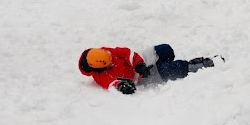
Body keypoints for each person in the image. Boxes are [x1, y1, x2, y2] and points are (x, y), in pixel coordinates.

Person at [78, 44, 223, 95]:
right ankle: (197, 65)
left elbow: (127, 53)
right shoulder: (100, 76)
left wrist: (139, 64)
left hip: (141, 64)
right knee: (172, 69)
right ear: (101, 65)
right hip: (141, 77)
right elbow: (111, 83)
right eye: (109, 62)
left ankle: (163, 67)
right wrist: (122, 85)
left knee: (166, 50)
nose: (112, 58)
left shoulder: (104, 52)